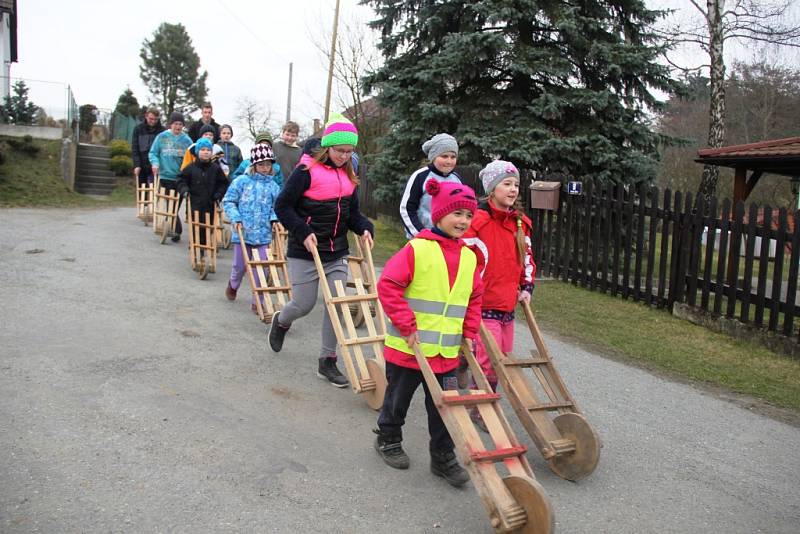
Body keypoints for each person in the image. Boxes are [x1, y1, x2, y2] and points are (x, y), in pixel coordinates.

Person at [373, 179, 482, 487]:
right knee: (397, 400)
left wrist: (469, 331)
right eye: (456, 214)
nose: (463, 221)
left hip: (446, 353)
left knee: (446, 410)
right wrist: (407, 324)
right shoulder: (417, 249)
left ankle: (442, 456)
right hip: (410, 349)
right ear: (438, 215)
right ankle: (388, 438)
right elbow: (389, 285)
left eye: (468, 216)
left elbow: (474, 297)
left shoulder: (470, 257)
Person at [270, 113, 374, 387]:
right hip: (305, 249)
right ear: (327, 146)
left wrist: (364, 228)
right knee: (303, 304)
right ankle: (281, 320)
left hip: (336, 251)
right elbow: (283, 206)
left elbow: (353, 214)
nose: (344, 156)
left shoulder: (349, 173)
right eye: (340, 150)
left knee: (335, 305)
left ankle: (327, 361)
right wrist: (303, 232)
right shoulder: (305, 171)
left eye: (349, 151)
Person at [462, 160, 536, 432]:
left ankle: (478, 391)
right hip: (482, 302)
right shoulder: (478, 221)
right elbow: (464, 256)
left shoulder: (520, 224)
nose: (513, 189)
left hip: (507, 303)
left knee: (502, 357)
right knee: (487, 358)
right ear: (491, 189)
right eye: (506, 184)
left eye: (516, 184)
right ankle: (480, 405)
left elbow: (526, 257)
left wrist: (526, 286)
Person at [222, 144, 281, 311]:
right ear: (254, 165)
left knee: (262, 269)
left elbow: (276, 208)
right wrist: (236, 218)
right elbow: (229, 201)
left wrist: (274, 219)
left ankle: (258, 301)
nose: (265, 168)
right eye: (261, 164)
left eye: (268, 165)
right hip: (243, 233)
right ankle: (233, 285)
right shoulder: (241, 182)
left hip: (263, 235)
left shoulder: (273, 187)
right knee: (240, 266)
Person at [399, 133, 462, 238]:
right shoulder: (420, 177)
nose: (449, 161)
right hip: (423, 239)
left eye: (453, 157)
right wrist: (420, 234)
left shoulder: (457, 180)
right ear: (433, 156)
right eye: (444, 156)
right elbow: (406, 209)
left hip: (449, 240)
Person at [176, 137, 228, 253]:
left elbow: (223, 183)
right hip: (195, 203)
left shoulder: (215, 169)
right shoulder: (190, 168)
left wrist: (218, 194)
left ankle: (206, 248)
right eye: (203, 150)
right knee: (196, 227)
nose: (206, 152)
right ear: (198, 152)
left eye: (208, 150)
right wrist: (184, 190)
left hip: (210, 203)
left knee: (207, 227)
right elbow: (181, 180)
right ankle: (196, 247)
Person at [149, 112, 193, 241]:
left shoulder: (187, 140)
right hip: (164, 176)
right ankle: (174, 229)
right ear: (171, 124)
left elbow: (191, 158)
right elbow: (153, 153)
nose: (178, 127)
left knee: (175, 206)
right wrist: (155, 163)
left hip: (179, 178)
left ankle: (175, 230)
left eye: (180, 124)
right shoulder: (162, 137)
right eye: (175, 124)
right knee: (167, 204)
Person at [131, 107, 165, 186]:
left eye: (155, 119)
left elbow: (163, 150)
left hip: (155, 165)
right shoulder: (138, 129)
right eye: (151, 119)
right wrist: (137, 165)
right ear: (146, 116)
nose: (153, 121)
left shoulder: (162, 131)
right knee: (141, 190)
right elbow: (135, 148)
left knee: (154, 191)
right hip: (141, 164)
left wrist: (159, 165)